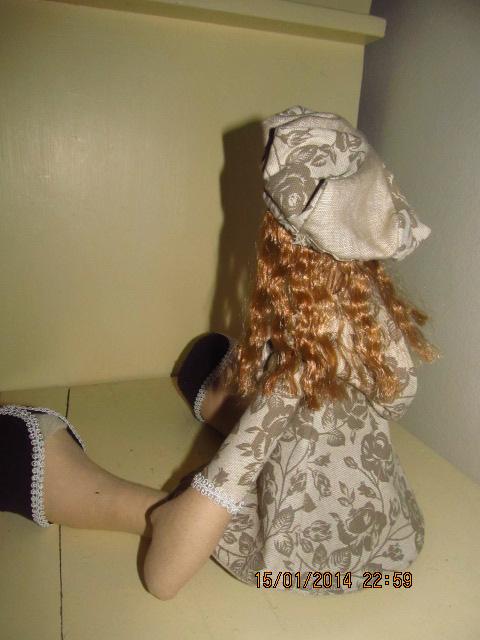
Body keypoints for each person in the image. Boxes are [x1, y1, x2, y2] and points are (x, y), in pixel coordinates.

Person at [0, 105, 440, 600]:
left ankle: (118, 500)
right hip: (389, 545)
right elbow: (398, 398)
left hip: (297, 564)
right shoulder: (373, 321)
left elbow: (162, 580)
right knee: (273, 405)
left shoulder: (292, 374)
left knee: (212, 492)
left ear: (279, 244)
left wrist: (191, 505)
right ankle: (224, 404)